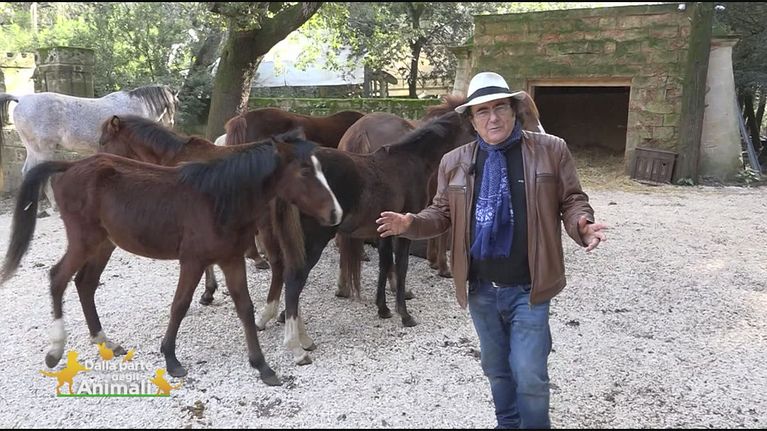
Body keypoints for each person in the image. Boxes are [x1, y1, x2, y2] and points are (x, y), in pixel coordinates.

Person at [376, 71, 607, 429]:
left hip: (530, 287)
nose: (493, 118)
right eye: (482, 111)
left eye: (500, 108)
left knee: (529, 375)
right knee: (496, 369)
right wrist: (412, 224)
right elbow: (441, 213)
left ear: (514, 111)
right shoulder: (455, 162)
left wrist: (582, 224)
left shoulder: (551, 150)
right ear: (471, 120)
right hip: (481, 289)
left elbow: (571, 199)